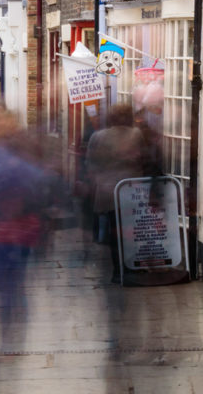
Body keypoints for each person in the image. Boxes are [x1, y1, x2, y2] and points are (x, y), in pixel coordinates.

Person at [85, 103, 144, 283]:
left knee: (114, 231)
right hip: (131, 190)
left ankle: (118, 271)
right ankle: (130, 268)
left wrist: (98, 180)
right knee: (130, 231)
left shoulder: (97, 137)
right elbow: (144, 158)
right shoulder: (136, 134)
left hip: (107, 190)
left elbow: (90, 163)